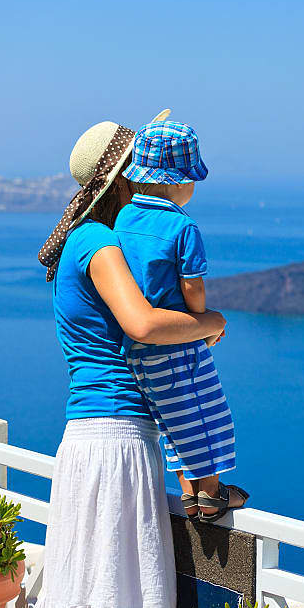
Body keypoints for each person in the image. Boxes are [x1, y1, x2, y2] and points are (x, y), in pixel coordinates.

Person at [23, 110, 227, 608]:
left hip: (88, 436)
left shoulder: (82, 240)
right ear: (121, 177)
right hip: (117, 437)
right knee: (122, 593)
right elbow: (142, 324)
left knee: (84, 591)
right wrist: (212, 324)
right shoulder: (99, 242)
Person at [114, 119, 247, 523]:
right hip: (177, 338)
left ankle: (191, 494)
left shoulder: (122, 221)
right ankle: (210, 494)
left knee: (172, 416)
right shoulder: (182, 226)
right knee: (203, 410)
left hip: (138, 347)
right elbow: (193, 288)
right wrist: (205, 322)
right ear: (180, 181)